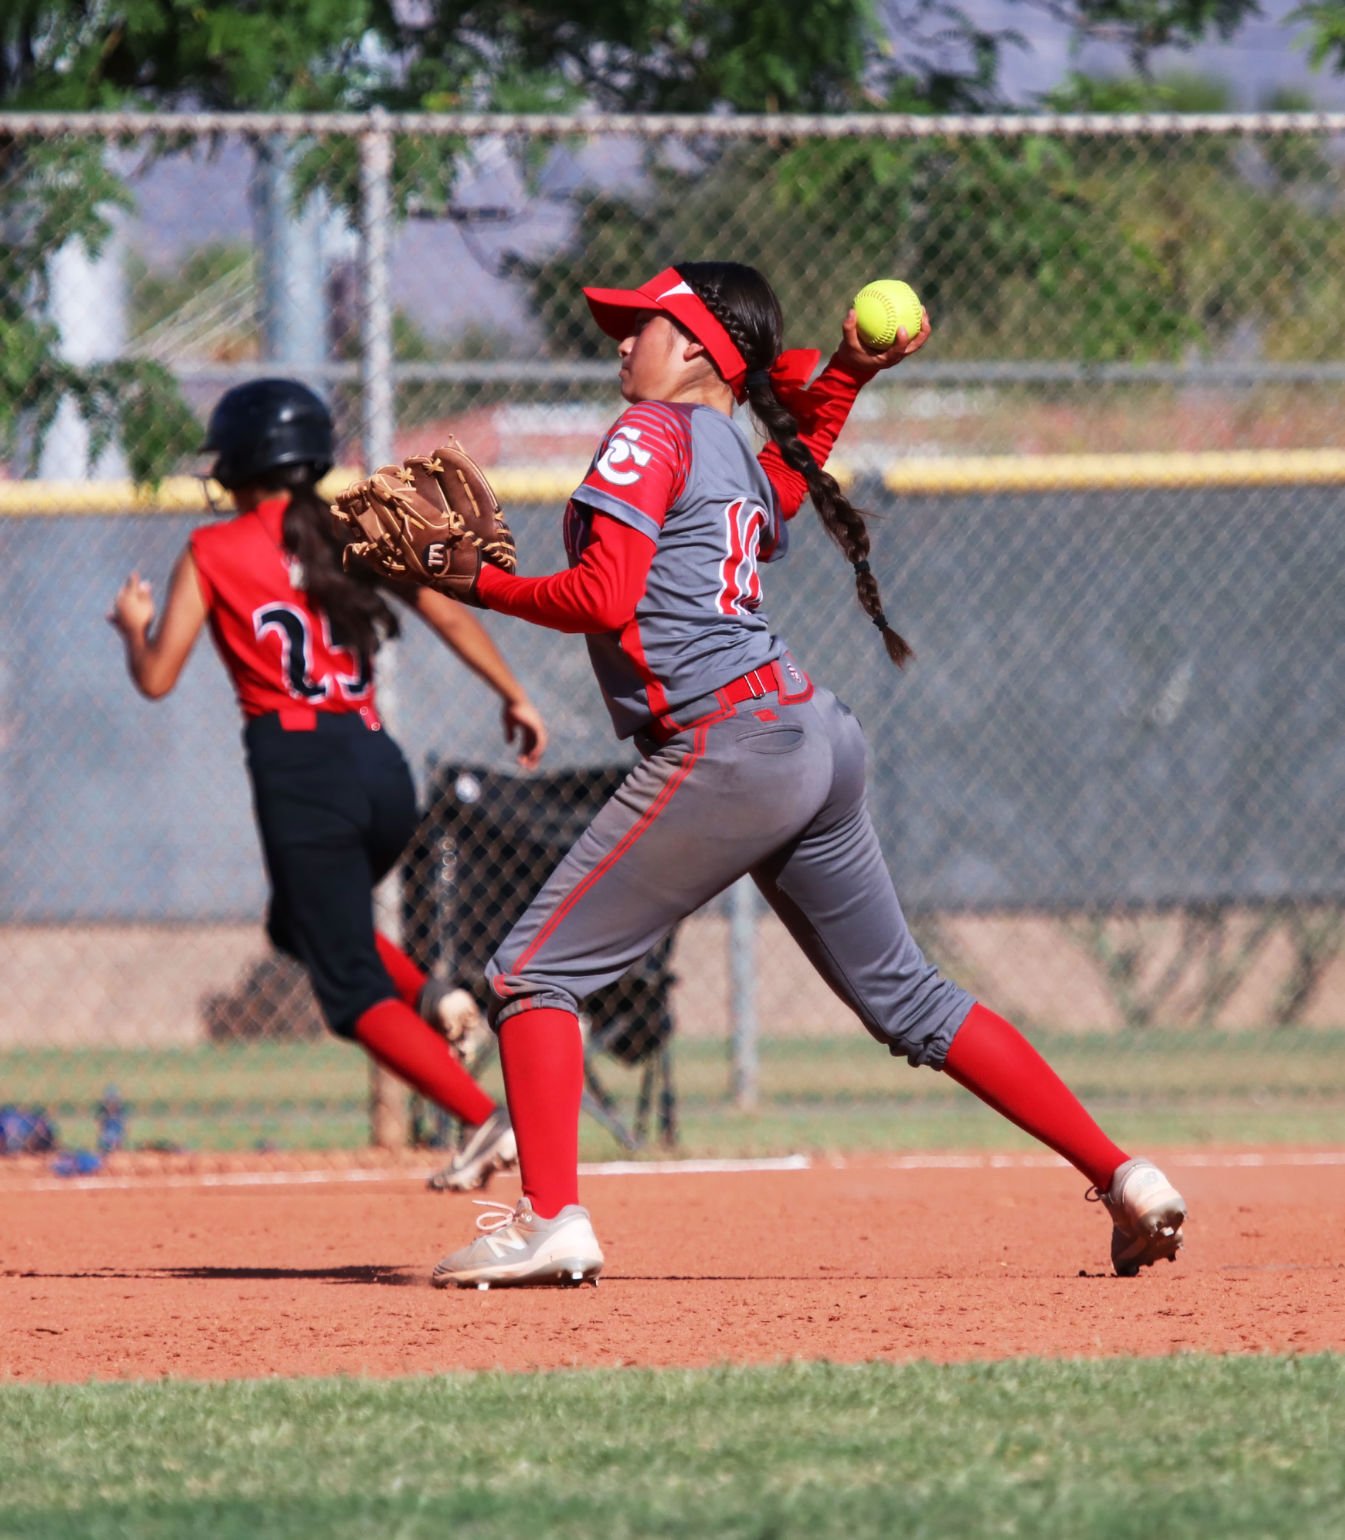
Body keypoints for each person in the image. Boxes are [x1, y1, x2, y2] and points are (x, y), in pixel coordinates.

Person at [416, 263, 1188, 1289]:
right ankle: (1123, 1174)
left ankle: (550, 1219)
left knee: (531, 973)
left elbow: (604, 599)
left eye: (639, 326)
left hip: (729, 744)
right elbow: (793, 476)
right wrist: (850, 376)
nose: (618, 343)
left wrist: (475, 580)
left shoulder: (649, 432)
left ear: (693, 348)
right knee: (909, 997)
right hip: (810, 736)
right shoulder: (727, 445)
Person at [108, 378, 537, 1188]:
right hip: (380, 770)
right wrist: (512, 694)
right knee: (300, 927)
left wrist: (136, 632)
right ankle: (438, 1000)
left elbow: (158, 677)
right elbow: (447, 612)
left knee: (344, 990)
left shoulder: (213, 551)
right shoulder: (353, 528)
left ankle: (483, 1123)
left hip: (302, 775)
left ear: (235, 466)